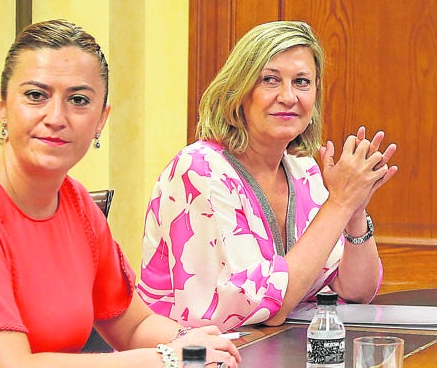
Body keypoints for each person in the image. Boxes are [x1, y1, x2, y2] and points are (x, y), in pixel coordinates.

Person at [0, 20, 239, 368]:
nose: (56, 117)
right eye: (35, 95)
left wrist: (191, 342)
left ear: (102, 118)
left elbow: (133, 326)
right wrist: (167, 359)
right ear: (1, 105)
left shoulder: (77, 203)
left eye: (78, 100)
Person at [139, 20, 398, 330]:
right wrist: (340, 203)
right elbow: (263, 308)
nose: (289, 97)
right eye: (270, 80)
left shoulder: (303, 169)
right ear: (238, 90)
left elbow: (356, 290)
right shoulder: (199, 171)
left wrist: (355, 209)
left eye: (302, 82)